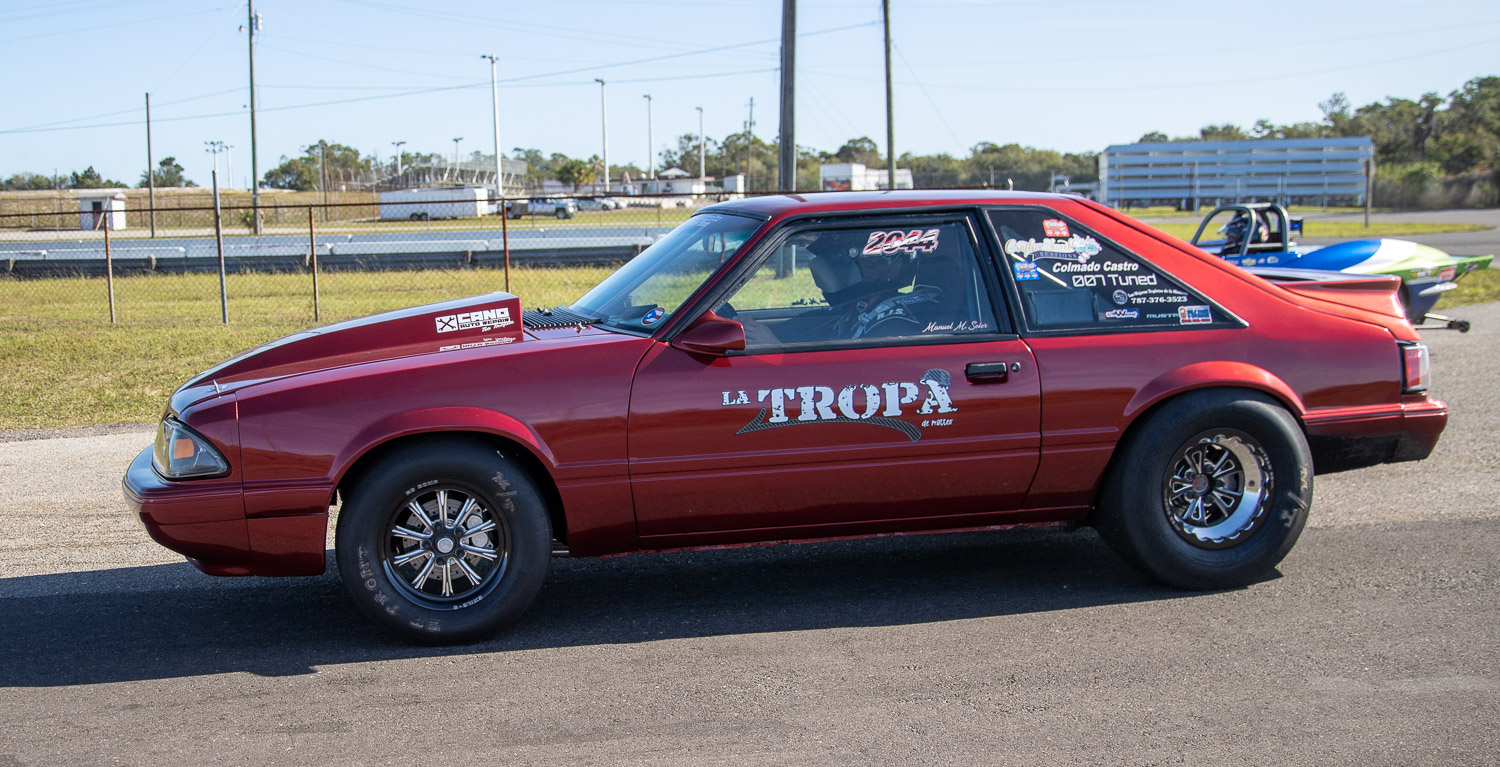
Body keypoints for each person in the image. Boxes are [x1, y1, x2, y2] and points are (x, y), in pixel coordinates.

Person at [802, 229, 941, 340]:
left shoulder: (892, 327)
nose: (836, 269)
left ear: (875, 264)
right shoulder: (852, 313)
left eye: (840, 259)